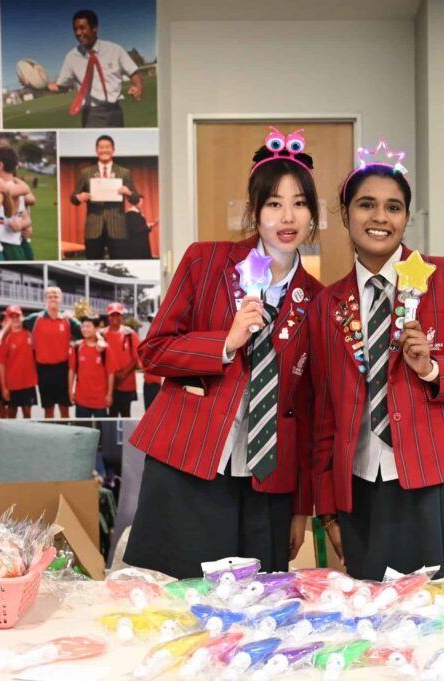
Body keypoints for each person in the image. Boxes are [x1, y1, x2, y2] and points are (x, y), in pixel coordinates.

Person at [126, 128, 323, 577]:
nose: (287, 216)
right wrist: (225, 342)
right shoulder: (206, 262)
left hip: (267, 479)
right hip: (192, 461)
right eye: (273, 203)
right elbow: (153, 351)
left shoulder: (318, 298)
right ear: (254, 211)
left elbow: (310, 408)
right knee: (180, 597)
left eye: (299, 203)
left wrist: (301, 507)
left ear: (313, 214)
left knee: (257, 601)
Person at [309, 146, 444, 580]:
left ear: (406, 217)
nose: (380, 217)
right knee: (378, 612)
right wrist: (327, 509)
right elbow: (324, 412)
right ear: (346, 214)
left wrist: (432, 370)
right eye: (367, 204)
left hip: (441, 477)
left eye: (393, 207)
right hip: (362, 486)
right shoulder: (328, 303)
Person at [48, 9, 142, 127]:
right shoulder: (71, 57)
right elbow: (62, 86)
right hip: (91, 115)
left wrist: (138, 86)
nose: (78, 33)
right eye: (75, 29)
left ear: (95, 28)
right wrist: (42, 86)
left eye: (82, 28)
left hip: (115, 111)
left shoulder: (115, 50)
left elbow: (133, 73)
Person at [69, 135, 139, 259]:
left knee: (119, 261)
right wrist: (78, 197)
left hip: (117, 228)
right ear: (96, 150)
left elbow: (136, 198)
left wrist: (128, 192)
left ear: (113, 150)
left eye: (107, 147)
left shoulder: (124, 172)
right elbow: (73, 197)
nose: (104, 150)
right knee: (92, 261)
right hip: (93, 228)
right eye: (101, 147)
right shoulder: (86, 173)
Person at [23, 287, 81, 418]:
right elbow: (16, 324)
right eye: (50, 297)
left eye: (56, 297)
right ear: (45, 300)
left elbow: (86, 331)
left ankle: (65, 431)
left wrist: (99, 339)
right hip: (43, 370)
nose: (53, 299)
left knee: (64, 409)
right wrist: (0, 336)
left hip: (62, 369)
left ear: (61, 299)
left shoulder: (68, 319)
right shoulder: (35, 319)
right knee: (48, 410)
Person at [0, 145, 35, 261]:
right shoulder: (17, 186)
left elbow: (25, 215)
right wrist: (22, 225)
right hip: (12, 244)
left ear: (0, 165)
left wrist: (20, 225)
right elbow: (25, 217)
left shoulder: (8, 189)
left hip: (6, 246)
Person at [68, 314, 115, 418]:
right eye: (83, 326)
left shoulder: (105, 349)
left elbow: (111, 373)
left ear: (96, 328)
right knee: (82, 427)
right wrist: (70, 391)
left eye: (88, 326)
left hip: (100, 400)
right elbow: (71, 370)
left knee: (102, 427)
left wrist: (109, 394)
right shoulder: (77, 347)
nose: (85, 329)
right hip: (81, 400)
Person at [0, 306, 38, 419]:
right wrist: (4, 387)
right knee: (11, 414)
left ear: (22, 316)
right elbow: (1, 364)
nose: (15, 319)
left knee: (27, 414)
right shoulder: (6, 338)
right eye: (12, 316)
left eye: (17, 316)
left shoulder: (29, 334)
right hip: (12, 384)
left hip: (28, 382)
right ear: (8, 319)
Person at [102, 302, 139, 418]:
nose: (115, 317)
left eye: (118, 315)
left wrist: (122, 374)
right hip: (108, 383)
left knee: (125, 414)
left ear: (122, 316)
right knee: (111, 415)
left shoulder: (130, 334)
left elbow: (136, 358)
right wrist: (113, 376)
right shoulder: (101, 334)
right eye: (112, 315)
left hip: (126, 382)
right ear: (108, 317)